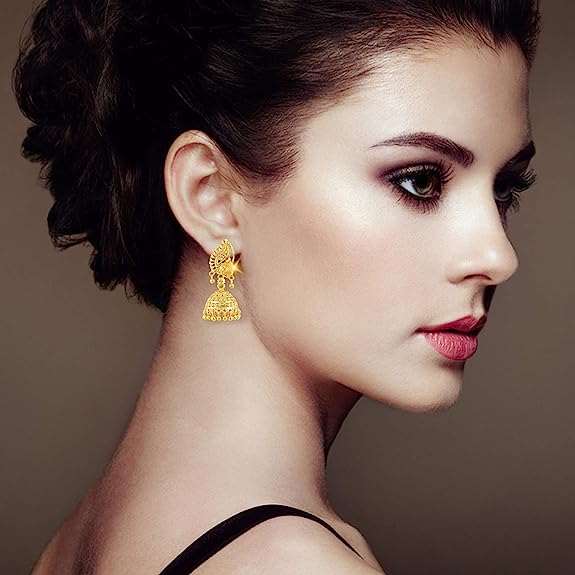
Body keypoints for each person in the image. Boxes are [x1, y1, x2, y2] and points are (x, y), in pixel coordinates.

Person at [12, 0, 541, 573]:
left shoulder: (80, 539)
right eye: (419, 181)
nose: (498, 256)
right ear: (211, 196)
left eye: (503, 189)